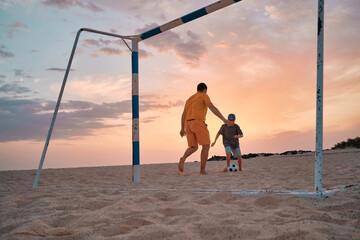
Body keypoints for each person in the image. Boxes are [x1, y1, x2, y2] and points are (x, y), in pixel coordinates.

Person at [179, 83, 233, 175]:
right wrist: (224, 120)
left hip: (188, 124)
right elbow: (212, 108)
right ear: (205, 90)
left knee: (193, 147)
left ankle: (183, 158)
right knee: (206, 146)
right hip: (198, 123)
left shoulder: (189, 99)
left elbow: (183, 114)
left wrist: (182, 128)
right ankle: (202, 170)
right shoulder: (204, 95)